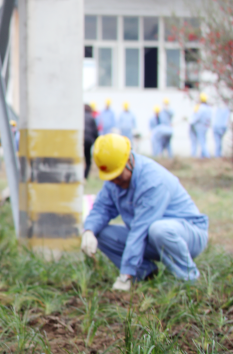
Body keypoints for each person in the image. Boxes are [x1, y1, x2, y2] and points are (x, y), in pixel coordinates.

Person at [82, 134, 208, 289]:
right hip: (152, 238)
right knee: (100, 233)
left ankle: (189, 280)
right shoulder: (115, 180)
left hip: (187, 235)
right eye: (111, 178)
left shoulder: (153, 181)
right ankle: (145, 273)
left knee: (159, 230)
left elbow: (140, 230)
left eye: (118, 176)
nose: (115, 181)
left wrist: (125, 274)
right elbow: (101, 209)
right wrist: (88, 230)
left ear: (128, 161)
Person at [190, 94, 212, 158]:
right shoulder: (209, 108)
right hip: (206, 126)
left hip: (199, 126)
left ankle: (207, 156)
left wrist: (190, 121)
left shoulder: (200, 108)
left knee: (201, 141)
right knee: (204, 140)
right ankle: (202, 156)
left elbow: (196, 117)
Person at [84, 103, 99, 179]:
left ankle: (79, 176)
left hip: (80, 141)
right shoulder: (91, 117)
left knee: (79, 160)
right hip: (88, 141)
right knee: (88, 161)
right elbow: (95, 132)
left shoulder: (79, 117)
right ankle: (85, 177)